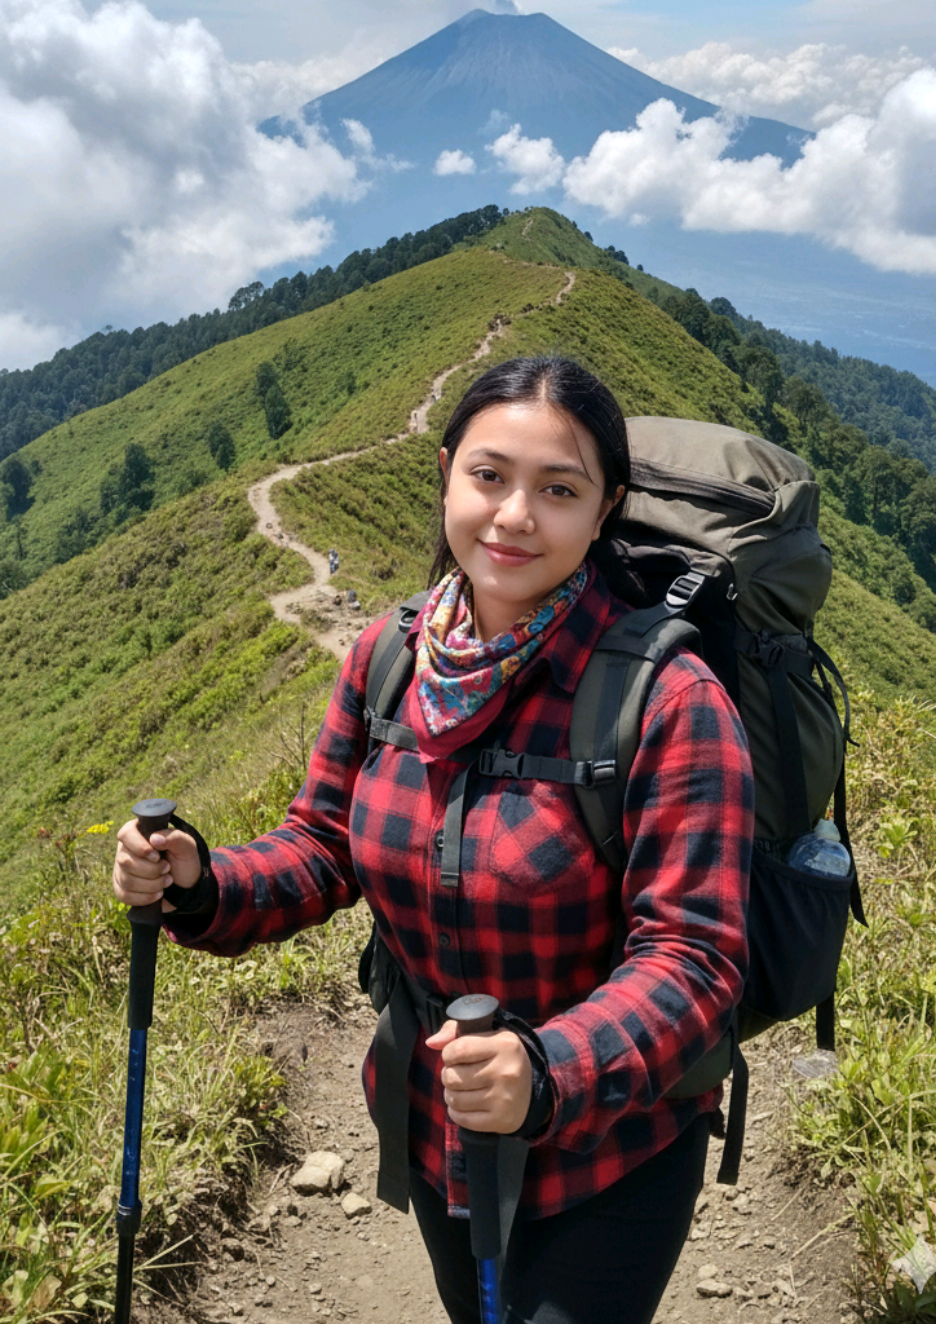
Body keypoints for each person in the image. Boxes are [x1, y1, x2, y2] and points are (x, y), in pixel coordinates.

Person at [113, 356, 753, 1324]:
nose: (514, 516)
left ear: (604, 507)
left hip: (613, 1142)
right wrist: (203, 882)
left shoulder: (667, 698)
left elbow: (695, 956)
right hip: (435, 1114)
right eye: (489, 476)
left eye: (559, 489)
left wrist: (547, 1070)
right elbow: (324, 843)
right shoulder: (389, 658)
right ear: (447, 471)